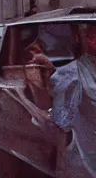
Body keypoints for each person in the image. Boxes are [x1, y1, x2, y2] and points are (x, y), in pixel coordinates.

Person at [49, 24, 96, 176]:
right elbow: (61, 122)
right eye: (92, 38)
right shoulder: (71, 73)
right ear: (83, 40)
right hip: (86, 153)